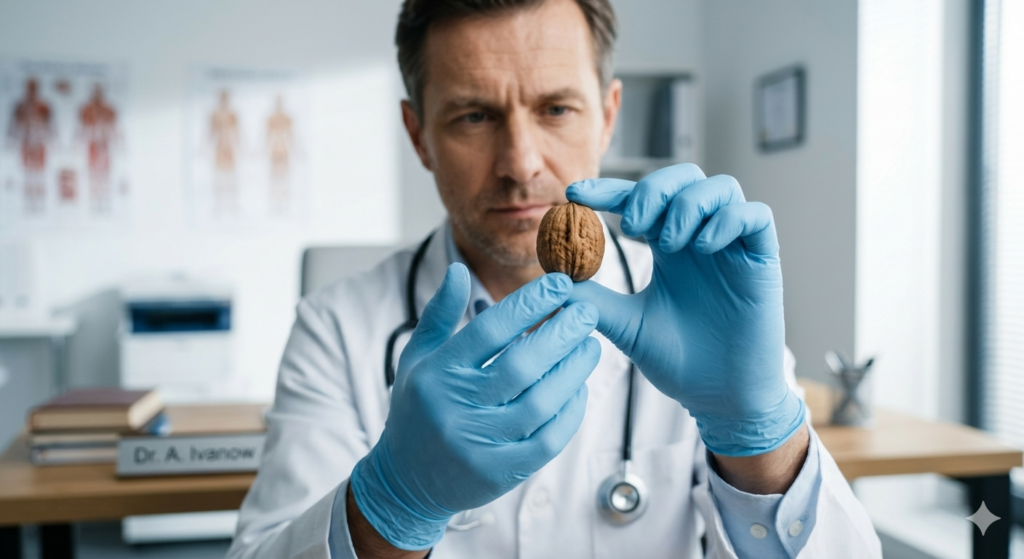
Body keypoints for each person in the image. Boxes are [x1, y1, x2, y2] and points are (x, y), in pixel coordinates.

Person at [227, 1, 881, 557]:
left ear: (607, 114)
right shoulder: (334, 328)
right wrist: (391, 504)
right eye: (474, 116)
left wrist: (760, 439)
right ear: (418, 134)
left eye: (557, 109)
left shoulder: (706, 306)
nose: (520, 163)